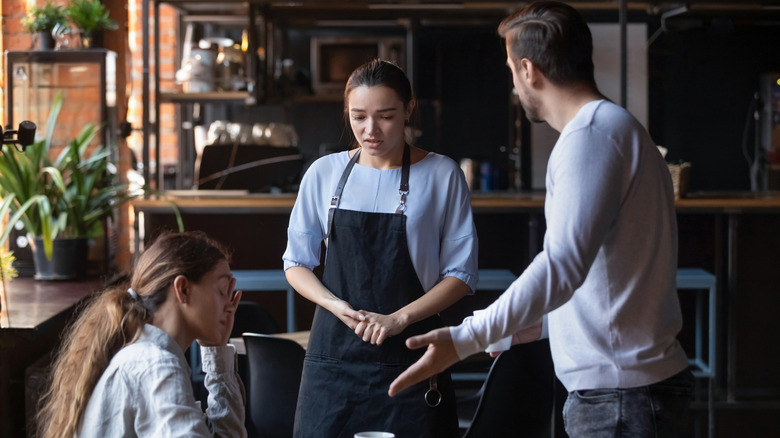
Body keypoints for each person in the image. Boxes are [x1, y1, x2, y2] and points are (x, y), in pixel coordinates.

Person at [389, 2, 694, 437]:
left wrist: (466, 338)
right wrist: (519, 330)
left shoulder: (589, 136)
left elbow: (562, 265)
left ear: (529, 70)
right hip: (628, 392)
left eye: (512, 70)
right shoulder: (613, 128)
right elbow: (603, 282)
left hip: (620, 400)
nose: (514, 85)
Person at [283, 58, 478, 437]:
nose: (370, 130)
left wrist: (398, 318)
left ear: (408, 109)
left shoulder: (442, 175)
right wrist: (336, 306)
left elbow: (461, 275)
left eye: (386, 116)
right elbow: (296, 262)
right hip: (333, 361)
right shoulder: (323, 173)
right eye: (358, 117)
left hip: (412, 356)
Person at [36, 231, 247, 438]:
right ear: (183, 289)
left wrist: (217, 350)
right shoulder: (156, 365)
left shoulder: (149, 356)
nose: (229, 305)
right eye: (221, 291)